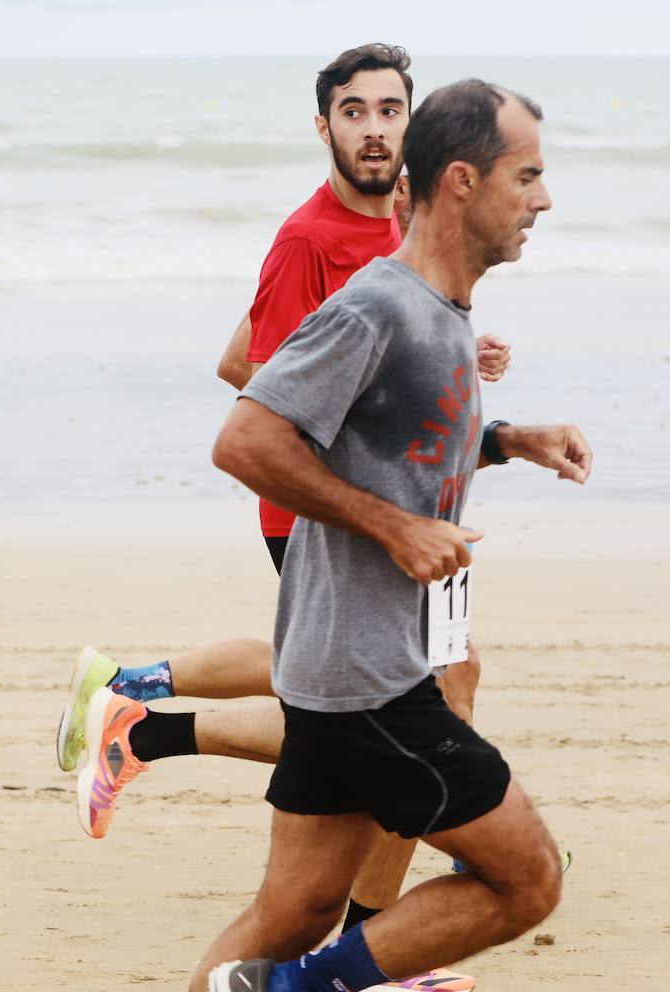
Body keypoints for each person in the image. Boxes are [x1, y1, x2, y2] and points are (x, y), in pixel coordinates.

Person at [59, 44, 514, 930]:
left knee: (370, 706)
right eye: (356, 112)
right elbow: (258, 380)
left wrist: (460, 357)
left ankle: (138, 714)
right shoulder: (309, 239)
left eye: (391, 111)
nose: (376, 129)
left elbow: (268, 354)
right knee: (408, 707)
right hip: (327, 511)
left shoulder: (408, 222)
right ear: (325, 126)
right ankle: (390, 926)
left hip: (405, 505)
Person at [197, 79, 592, 991]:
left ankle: (272, 981)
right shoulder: (381, 306)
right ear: (462, 181)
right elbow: (247, 436)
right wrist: (393, 527)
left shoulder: (444, 311)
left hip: (351, 663)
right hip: (373, 676)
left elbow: (392, 444)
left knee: (291, 915)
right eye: (527, 175)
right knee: (528, 877)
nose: (544, 199)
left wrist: (505, 440)